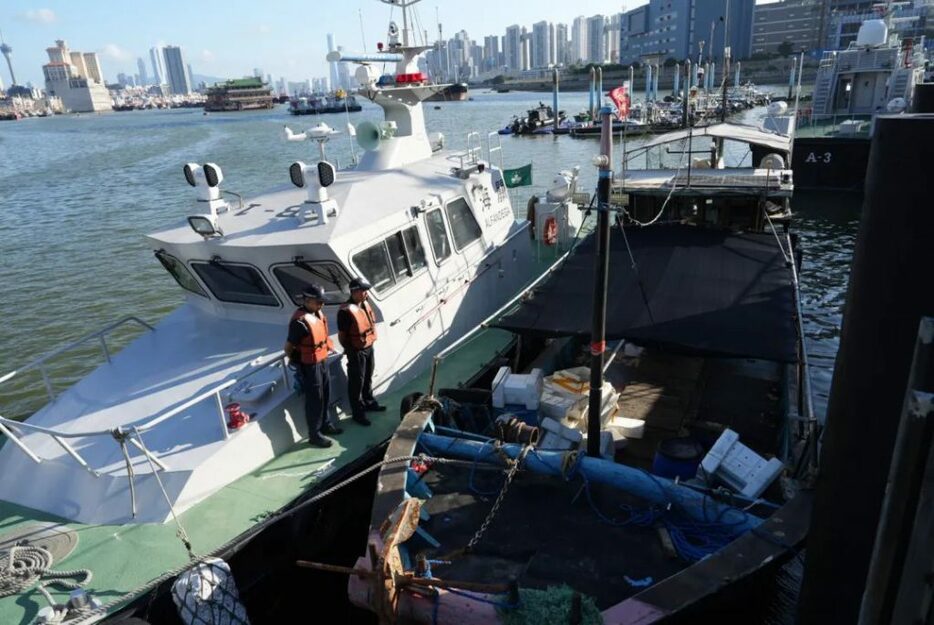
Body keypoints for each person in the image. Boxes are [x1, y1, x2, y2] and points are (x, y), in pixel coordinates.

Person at [284, 285, 342, 448]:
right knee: (314, 399)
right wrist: (299, 362)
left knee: (325, 394)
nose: (321, 305)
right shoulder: (299, 322)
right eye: (318, 302)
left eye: (322, 302)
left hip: (322, 361)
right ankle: (314, 435)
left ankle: (326, 424)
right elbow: (288, 348)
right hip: (309, 366)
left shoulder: (317, 313)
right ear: (307, 301)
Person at [337, 278, 386, 426]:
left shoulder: (364, 304)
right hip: (356, 350)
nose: (366, 293)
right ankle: (358, 413)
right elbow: (342, 336)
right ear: (355, 292)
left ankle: (369, 402)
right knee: (356, 382)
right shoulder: (345, 312)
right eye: (363, 291)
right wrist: (351, 350)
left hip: (369, 346)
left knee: (368, 377)